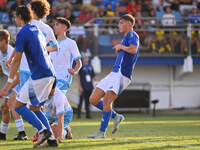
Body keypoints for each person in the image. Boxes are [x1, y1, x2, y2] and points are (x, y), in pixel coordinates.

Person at [0, 5, 57, 148]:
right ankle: (52, 140)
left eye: (15, 16)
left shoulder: (22, 32)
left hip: (39, 75)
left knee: (17, 105)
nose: (14, 19)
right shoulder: (36, 29)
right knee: (35, 108)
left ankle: (43, 131)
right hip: (49, 73)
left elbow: (17, 61)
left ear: (19, 16)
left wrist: (8, 84)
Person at [88, 14, 139, 139]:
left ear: (129, 24)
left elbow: (133, 49)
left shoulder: (132, 35)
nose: (118, 25)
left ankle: (101, 133)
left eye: (121, 23)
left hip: (122, 75)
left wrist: (121, 47)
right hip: (114, 73)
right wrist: (121, 47)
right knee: (93, 99)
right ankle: (116, 116)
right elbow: (128, 50)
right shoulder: (125, 37)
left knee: (106, 102)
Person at [0, 29, 28, 140]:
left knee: (12, 104)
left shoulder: (12, 54)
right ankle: (2, 134)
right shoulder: (1, 53)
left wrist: (6, 89)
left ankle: (22, 133)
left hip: (21, 79)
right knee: (4, 107)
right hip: (12, 80)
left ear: (3, 41)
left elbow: (19, 77)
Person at [50, 17, 82, 94]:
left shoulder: (71, 43)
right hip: (52, 78)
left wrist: (74, 71)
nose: (54, 27)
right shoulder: (52, 44)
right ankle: (66, 106)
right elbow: (50, 62)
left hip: (64, 78)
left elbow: (79, 63)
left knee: (55, 95)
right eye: (54, 25)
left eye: (57, 25)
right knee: (52, 102)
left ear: (64, 27)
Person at [42, 79, 73, 145]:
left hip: (65, 114)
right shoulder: (43, 92)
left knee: (54, 136)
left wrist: (60, 136)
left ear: (51, 88)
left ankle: (66, 131)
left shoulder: (59, 97)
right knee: (43, 129)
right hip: (51, 112)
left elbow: (60, 117)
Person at [77, 52, 98, 119]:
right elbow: (78, 77)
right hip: (83, 86)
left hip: (89, 86)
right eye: (85, 58)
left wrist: (99, 82)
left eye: (87, 58)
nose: (86, 59)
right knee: (80, 101)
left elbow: (93, 76)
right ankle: (78, 115)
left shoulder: (90, 67)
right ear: (83, 59)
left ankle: (88, 115)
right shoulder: (80, 67)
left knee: (88, 101)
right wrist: (80, 86)